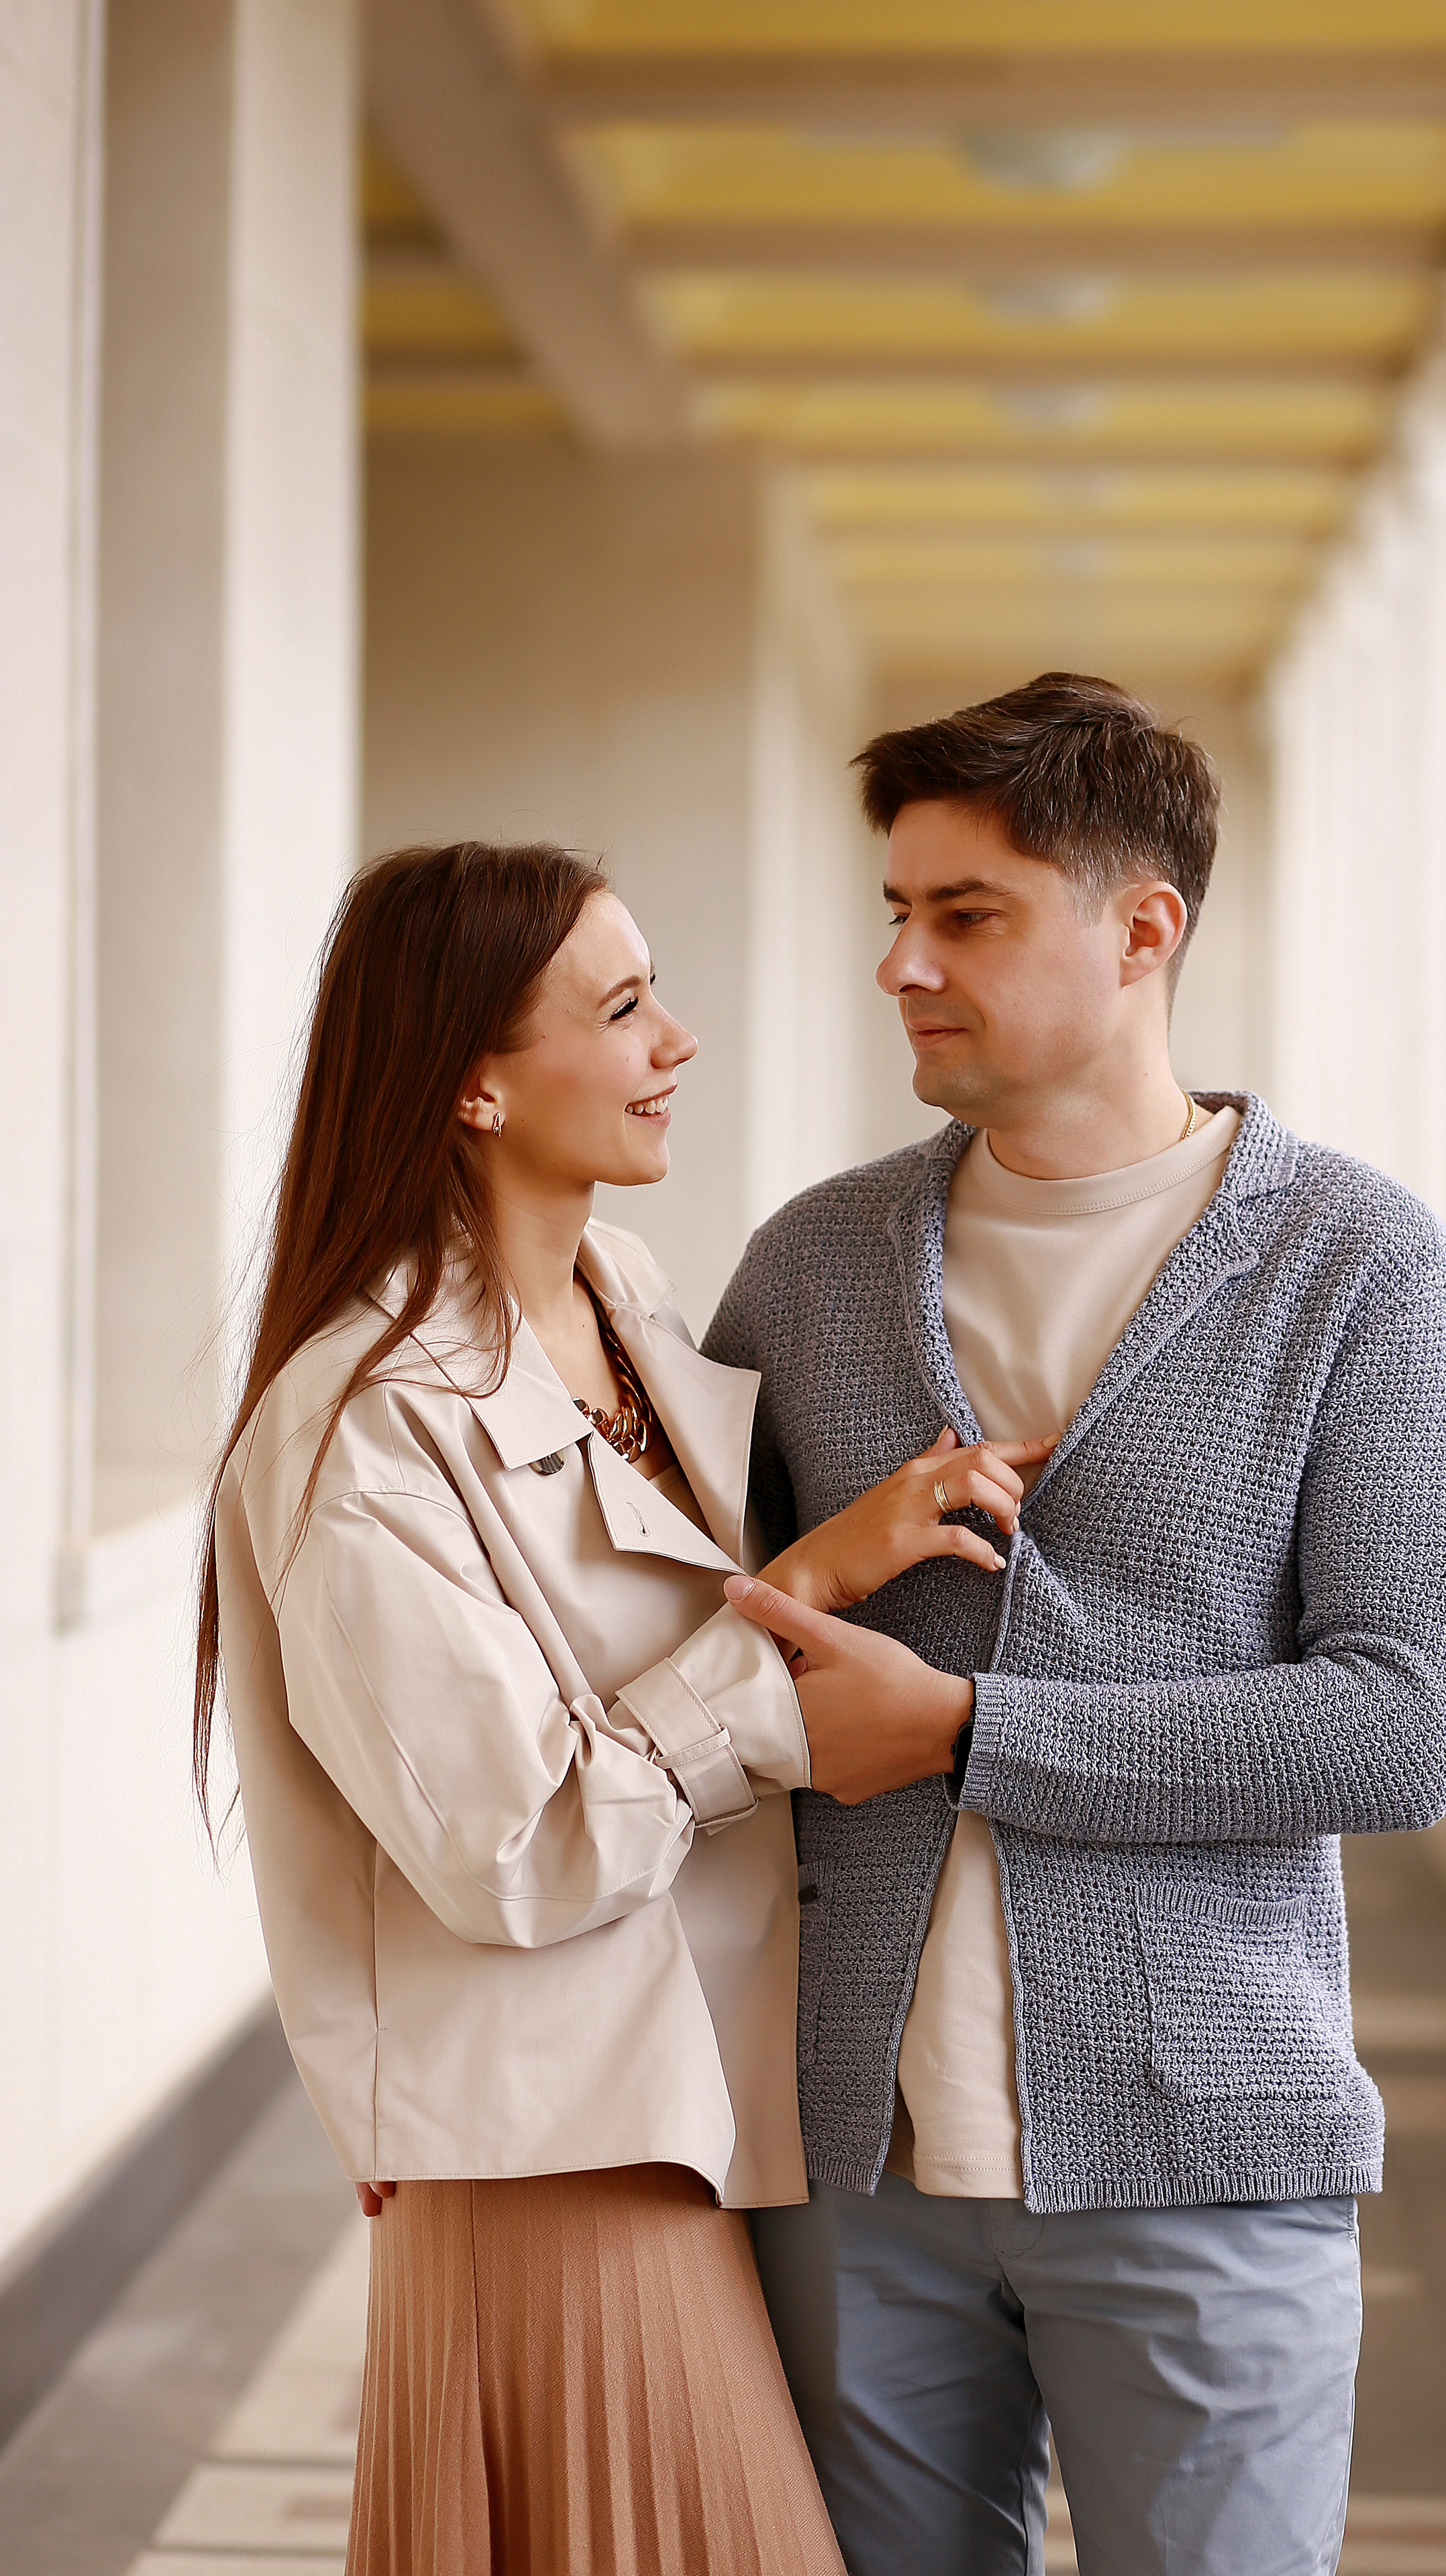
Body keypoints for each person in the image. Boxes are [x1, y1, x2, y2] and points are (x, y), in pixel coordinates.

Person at [706, 673, 1446, 2576]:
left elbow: (1397, 1728)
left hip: (1210, 2154)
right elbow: (686, 1655)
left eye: (964, 915)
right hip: (849, 2166)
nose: (901, 963)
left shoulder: (1359, 1264)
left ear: (1144, 929)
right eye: (892, 914)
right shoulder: (811, 1264)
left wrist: (976, 1735)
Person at [197, 840, 1049, 2576]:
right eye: (624, 1005)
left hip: (696, 2117)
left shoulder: (636, 1302)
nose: (680, 1037)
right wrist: (804, 1604)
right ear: (474, 1083)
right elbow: (511, 1850)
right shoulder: (359, 1425)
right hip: (552, 2157)